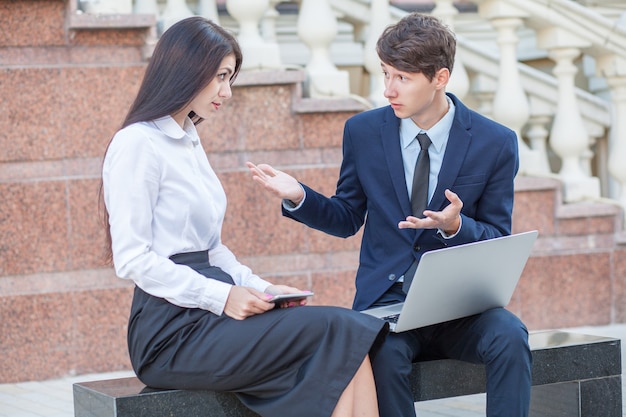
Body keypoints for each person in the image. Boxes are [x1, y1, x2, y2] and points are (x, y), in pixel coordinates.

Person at [100, 16, 388, 417]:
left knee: (347, 337)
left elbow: (212, 251)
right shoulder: (137, 143)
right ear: (186, 68)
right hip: (171, 332)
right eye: (220, 76)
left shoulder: (187, 140)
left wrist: (264, 290)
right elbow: (131, 258)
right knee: (339, 329)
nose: (227, 91)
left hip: (211, 314)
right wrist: (222, 297)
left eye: (230, 78)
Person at [247, 12, 532, 417]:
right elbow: (347, 217)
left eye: (403, 77)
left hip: (461, 307)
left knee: (510, 336)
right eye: (385, 74)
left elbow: (498, 237)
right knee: (383, 357)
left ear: (440, 78)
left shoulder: (495, 142)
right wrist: (299, 196)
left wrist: (456, 226)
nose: (388, 90)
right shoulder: (363, 132)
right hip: (386, 306)